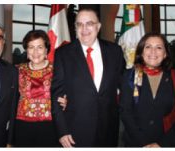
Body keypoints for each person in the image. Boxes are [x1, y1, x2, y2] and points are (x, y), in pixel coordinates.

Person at [51, 8, 124, 147]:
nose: (84, 29)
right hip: (75, 132)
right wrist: (62, 131)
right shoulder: (63, 54)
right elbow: (56, 95)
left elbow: (125, 86)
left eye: (89, 23)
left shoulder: (115, 51)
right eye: (79, 24)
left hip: (108, 130)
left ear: (98, 26)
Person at [119, 33, 175, 147]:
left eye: (159, 47)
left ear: (165, 54)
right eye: (148, 47)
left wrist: (162, 144)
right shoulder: (130, 76)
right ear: (141, 52)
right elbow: (125, 112)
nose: (153, 51)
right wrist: (144, 144)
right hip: (136, 143)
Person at [10, 30, 66, 147]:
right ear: (26, 50)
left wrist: (67, 102)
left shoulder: (57, 70)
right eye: (31, 47)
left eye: (40, 47)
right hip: (22, 127)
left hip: (51, 127)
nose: (35, 52)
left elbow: (72, 92)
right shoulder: (17, 70)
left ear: (46, 49)